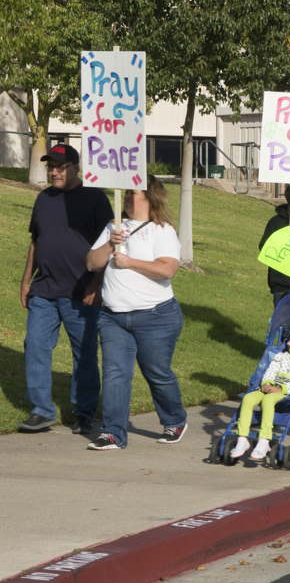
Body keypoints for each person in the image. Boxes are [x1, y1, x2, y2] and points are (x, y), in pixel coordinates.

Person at [85, 176, 187, 450]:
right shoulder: (113, 227)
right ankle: (113, 433)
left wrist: (129, 262)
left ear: (150, 196)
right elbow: (92, 263)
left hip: (156, 316)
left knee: (157, 373)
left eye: (133, 193)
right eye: (126, 194)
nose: (128, 198)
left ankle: (174, 420)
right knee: (115, 374)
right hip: (113, 317)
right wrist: (110, 244)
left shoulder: (161, 229)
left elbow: (167, 269)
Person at [18, 144, 113, 434]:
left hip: (81, 292)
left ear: (76, 168)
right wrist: (25, 282)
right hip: (44, 290)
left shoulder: (95, 197)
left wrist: (97, 284)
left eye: (60, 166)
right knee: (34, 346)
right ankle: (41, 411)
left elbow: (109, 244)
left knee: (83, 355)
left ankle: (83, 413)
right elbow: (36, 241)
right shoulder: (43, 198)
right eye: (50, 166)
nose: (54, 171)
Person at [230, 323, 290, 460]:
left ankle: (264, 440)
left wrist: (282, 389)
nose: (287, 343)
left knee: (268, 400)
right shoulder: (281, 356)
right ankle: (242, 439)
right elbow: (270, 371)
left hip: (289, 395)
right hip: (269, 389)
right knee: (248, 398)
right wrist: (266, 383)